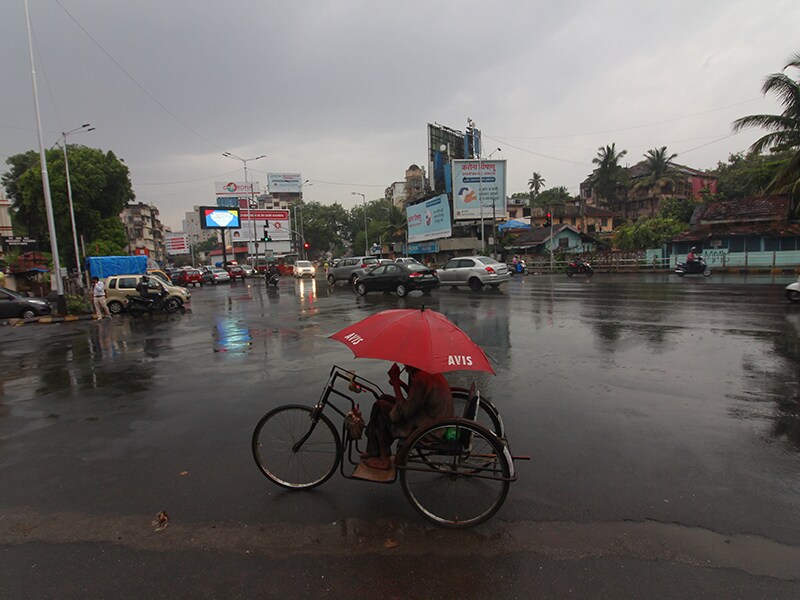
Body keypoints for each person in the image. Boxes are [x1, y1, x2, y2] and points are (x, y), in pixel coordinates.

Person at [362, 363, 454, 470]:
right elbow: (416, 397)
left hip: (429, 429)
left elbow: (405, 412)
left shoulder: (422, 378)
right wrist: (401, 384)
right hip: (432, 418)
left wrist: (396, 383)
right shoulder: (427, 372)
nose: (404, 366)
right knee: (383, 398)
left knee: (381, 406)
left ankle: (384, 459)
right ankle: (373, 450)